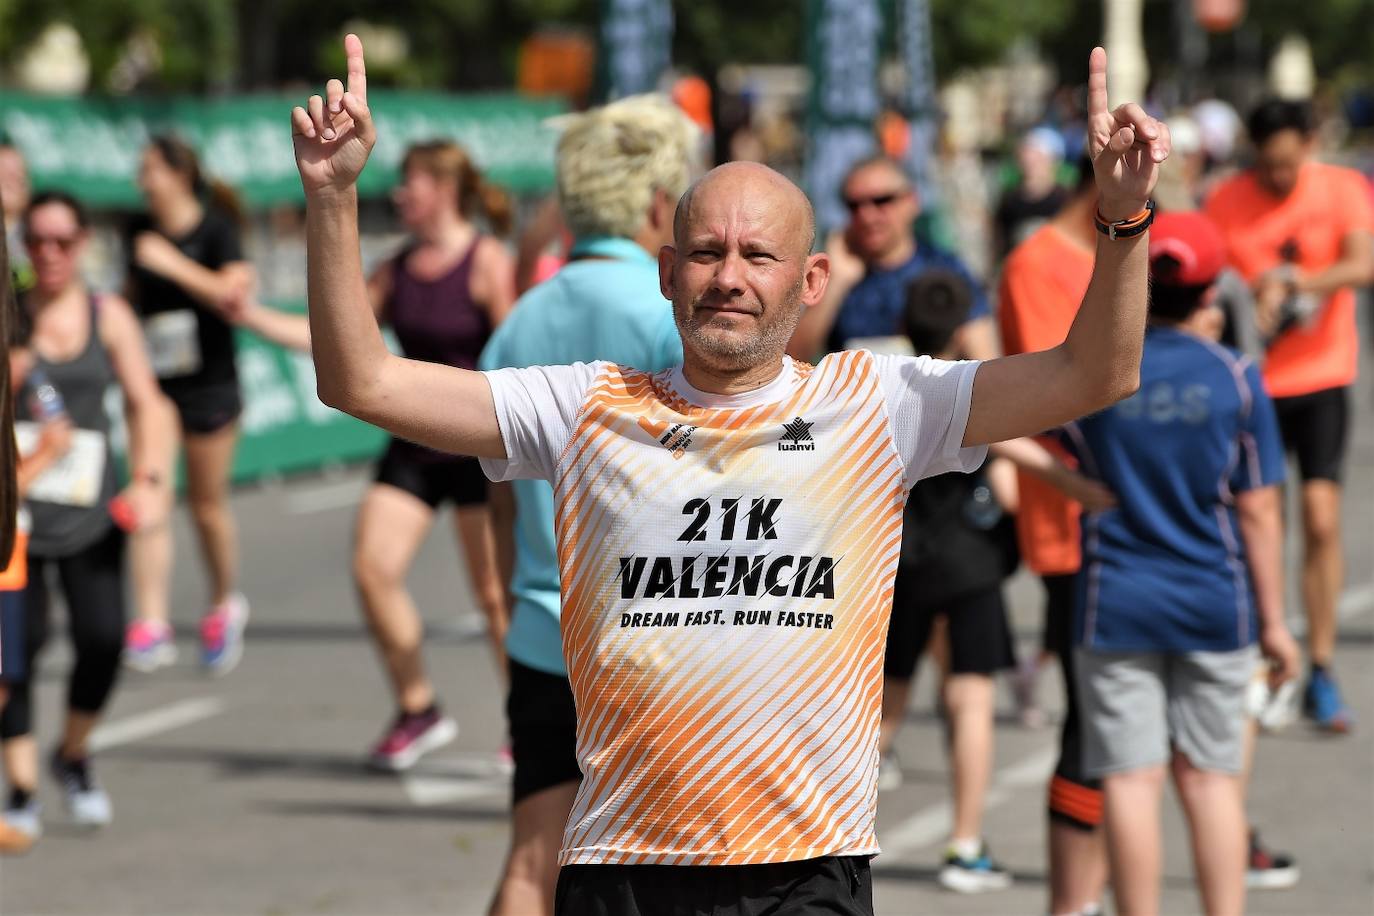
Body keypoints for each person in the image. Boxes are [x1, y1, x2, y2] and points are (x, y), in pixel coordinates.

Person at [292, 37, 1167, 913]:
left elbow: (1093, 374)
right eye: (707, 253)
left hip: (806, 868)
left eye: (760, 256)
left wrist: (1122, 220)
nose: (730, 278)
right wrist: (332, 198)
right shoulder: (588, 407)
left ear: (812, 279)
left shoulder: (881, 402)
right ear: (668, 273)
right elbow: (360, 381)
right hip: (623, 864)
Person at [481, 93, 697, 916]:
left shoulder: (520, 321)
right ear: (655, 204)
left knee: (534, 858)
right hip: (655, 636)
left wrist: (508, 602)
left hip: (544, 625)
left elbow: (497, 502)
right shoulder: (665, 314)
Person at [234, 140, 515, 771]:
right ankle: (418, 707)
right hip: (415, 442)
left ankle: (524, 722)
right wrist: (249, 315)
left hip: (476, 447)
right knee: (372, 568)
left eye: (409, 183)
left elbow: (520, 349)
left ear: (443, 189)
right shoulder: (397, 268)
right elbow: (335, 334)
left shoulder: (486, 262)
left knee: (495, 598)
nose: (398, 194)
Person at [1067, 210, 1300, 916]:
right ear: (1210, 291)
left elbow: (1011, 431)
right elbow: (1258, 510)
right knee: (1211, 781)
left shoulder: (1103, 371)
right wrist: (1277, 625)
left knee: (1131, 783)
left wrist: (1074, 487)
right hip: (1214, 599)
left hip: (1117, 599)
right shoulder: (1233, 376)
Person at [876, 270, 1116, 895]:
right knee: (971, 696)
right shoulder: (960, 391)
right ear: (961, 328)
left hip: (902, 563)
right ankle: (965, 841)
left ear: (905, 326)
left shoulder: (885, 384)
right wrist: (1072, 487)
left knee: (885, 703)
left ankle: (834, 823)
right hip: (970, 563)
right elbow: (1009, 479)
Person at [1, 191, 176, 835]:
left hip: (90, 513)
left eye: (62, 242)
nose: (48, 254)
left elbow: (149, 404)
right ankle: (20, 789)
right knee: (15, 651)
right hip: (15, 516)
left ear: (81, 245)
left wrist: (152, 477)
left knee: (102, 641)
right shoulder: (9, 314)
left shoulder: (109, 316)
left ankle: (72, 753)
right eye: (36, 241)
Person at [1203, 98, 1374, 733]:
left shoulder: (1343, 187)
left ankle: (1323, 669)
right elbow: (1211, 283)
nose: (1276, 178)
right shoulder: (1224, 199)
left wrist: (1295, 282)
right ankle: (1261, 659)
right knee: (1256, 520)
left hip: (1323, 377)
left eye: (1286, 163)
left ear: (1309, 142)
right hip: (1254, 384)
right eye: (1265, 165)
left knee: (1323, 520)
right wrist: (1251, 300)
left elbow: (1362, 264)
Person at [996, 156, 1111, 916]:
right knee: (1091, 714)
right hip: (1081, 521)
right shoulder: (1040, 263)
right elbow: (1058, 402)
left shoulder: (1115, 254)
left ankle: (1098, 886)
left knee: (1130, 715)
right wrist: (1088, 488)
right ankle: (1072, 901)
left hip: (1131, 522)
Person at [122, 135, 255, 675]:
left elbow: (234, 295)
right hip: (154, 387)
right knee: (148, 489)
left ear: (179, 175)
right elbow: (130, 300)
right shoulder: (136, 229)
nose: (142, 179)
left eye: (150, 169)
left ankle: (224, 603)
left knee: (204, 506)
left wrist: (172, 264)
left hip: (210, 386)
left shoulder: (217, 230)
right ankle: (151, 623)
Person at [787, 155, 998, 363]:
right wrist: (836, 283)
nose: (867, 216)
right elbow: (792, 362)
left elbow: (985, 361)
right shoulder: (839, 275)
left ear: (912, 202)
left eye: (882, 201)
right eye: (854, 205)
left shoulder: (946, 271)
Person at [995, 126, 1071, 258]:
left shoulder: (1066, 201)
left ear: (1054, 161)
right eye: (1026, 155)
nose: (1029, 161)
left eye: (1037, 157)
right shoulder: (1009, 201)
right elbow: (999, 244)